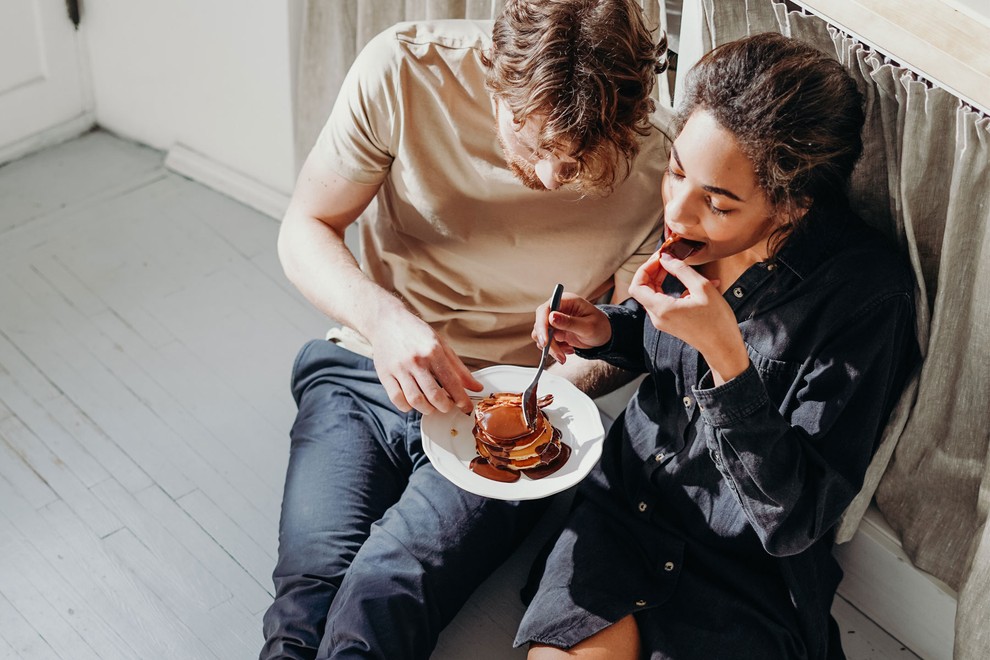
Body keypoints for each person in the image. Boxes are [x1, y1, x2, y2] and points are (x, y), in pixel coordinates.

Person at [261, 1, 673, 658]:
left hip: (520, 420)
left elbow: (623, 338)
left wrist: (531, 405)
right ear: (494, 75)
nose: (547, 177)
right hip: (365, 368)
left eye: (578, 159)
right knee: (306, 594)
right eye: (532, 141)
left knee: (383, 592)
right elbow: (305, 227)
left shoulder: (661, 163)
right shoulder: (403, 69)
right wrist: (384, 319)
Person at [517, 32, 920, 660]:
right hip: (623, 518)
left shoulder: (867, 298)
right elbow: (664, 345)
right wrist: (608, 329)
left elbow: (794, 519)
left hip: (742, 578)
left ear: (792, 205)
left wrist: (729, 364)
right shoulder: (693, 237)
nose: (677, 211)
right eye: (676, 170)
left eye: (718, 202)